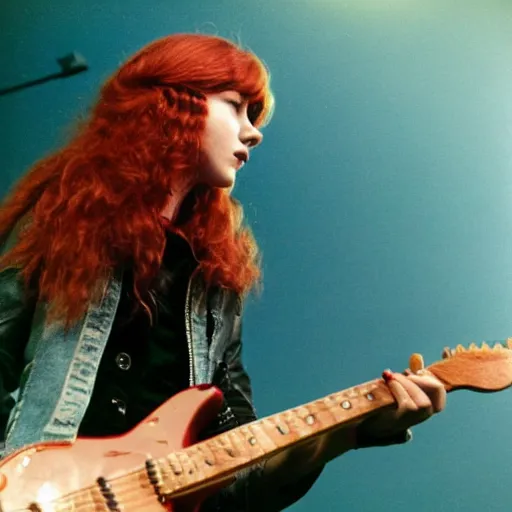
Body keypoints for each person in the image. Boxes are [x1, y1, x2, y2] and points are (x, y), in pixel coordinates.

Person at [0, 33, 446, 511]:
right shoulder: (60, 219)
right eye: (235, 106)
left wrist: (353, 429)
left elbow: (240, 478)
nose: (252, 132)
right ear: (170, 102)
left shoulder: (213, 285)